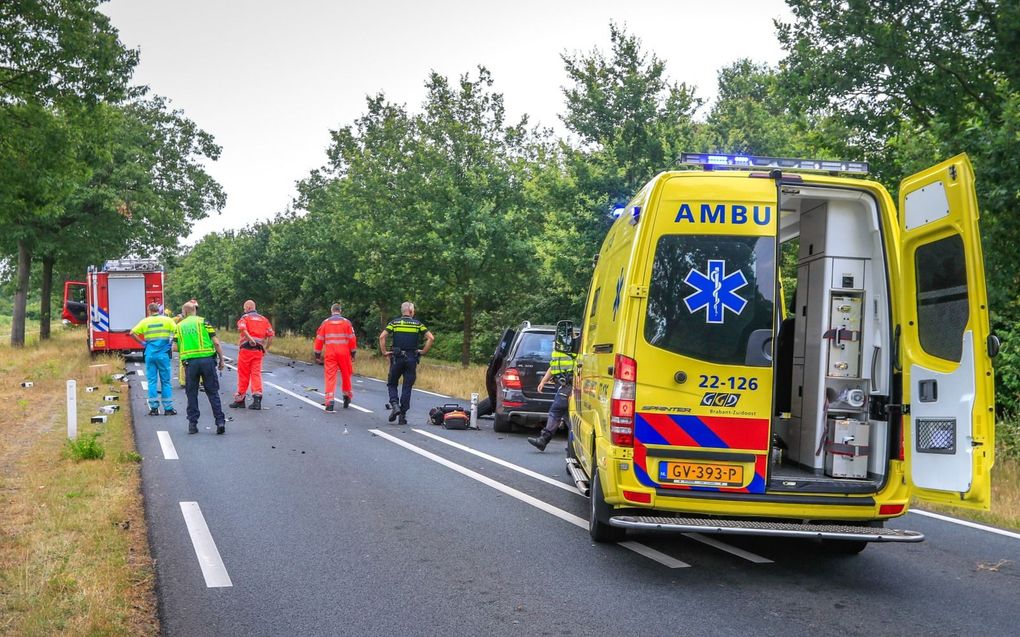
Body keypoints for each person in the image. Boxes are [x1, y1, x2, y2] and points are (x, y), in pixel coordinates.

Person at [173, 301, 226, 434]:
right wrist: (221, 360)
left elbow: (174, 348)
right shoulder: (204, 322)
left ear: (184, 312)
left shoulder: (179, 326)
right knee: (213, 392)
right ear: (194, 310)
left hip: (190, 364)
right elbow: (216, 342)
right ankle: (220, 422)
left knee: (192, 393)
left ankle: (192, 424)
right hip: (207, 361)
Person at [378, 301, 434, 425]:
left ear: (402, 311)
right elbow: (431, 338)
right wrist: (423, 351)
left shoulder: (395, 323)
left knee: (392, 383)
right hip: (411, 358)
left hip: (397, 358)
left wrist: (384, 352)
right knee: (407, 387)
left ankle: (394, 405)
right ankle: (402, 415)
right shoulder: (418, 324)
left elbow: (382, 337)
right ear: (410, 311)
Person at [527, 329, 577, 451]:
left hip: (569, 386)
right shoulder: (560, 352)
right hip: (564, 386)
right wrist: (543, 381)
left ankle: (543, 440)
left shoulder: (575, 350)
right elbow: (553, 366)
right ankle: (573, 445)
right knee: (566, 415)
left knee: (556, 411)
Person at [130, 302, 178, 416]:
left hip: (150, 354)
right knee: (165, 381)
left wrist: (142, 343)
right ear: (159, 310)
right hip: (163, 354)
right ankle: (168, 408)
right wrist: (170, 343)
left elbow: (132, 332)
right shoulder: (167, 320)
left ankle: (154, 409)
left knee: (152, 381)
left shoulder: (145, 321)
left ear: (149, 311)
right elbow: (177, 332)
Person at [229, 300, 274, 410]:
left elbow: (243, 329)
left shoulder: (245, 318)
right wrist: (265, 348)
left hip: (246, 350)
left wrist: (250, 339)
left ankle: (240, 400)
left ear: (248, 308)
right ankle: (257, 400)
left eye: (244, 308)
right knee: (256, 374)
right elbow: (271, 335)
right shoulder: (264, 320)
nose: (244, 310)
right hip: (258, 351)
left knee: (243, 374)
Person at [313, 303, 357, 412]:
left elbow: (319, 339)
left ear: (331, 311)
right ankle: (347, 396)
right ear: (340, 311)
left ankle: (329, 401)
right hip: (344, 353)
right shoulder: (347, 323)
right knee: (346, 374)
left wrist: (317, 355)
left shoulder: (325, 323)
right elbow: (352, 339)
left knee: (330, 376)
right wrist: (353, 353)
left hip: (331, 353)